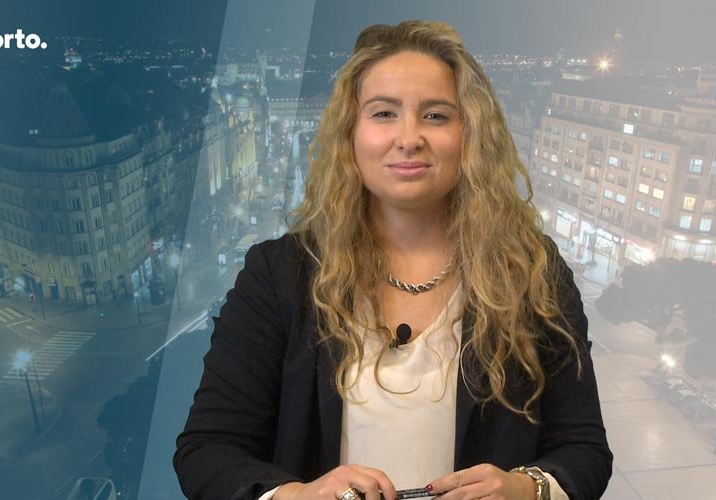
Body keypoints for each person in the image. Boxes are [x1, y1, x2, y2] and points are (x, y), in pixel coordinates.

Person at [174, 20, 612, 500]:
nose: (409, 137)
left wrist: (529, 489)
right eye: (384, 113)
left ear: (471, 136)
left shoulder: (532, 271)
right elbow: (207, 451)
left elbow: (584, 451)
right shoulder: (278, 274)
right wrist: (296, 496)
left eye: (436, 116)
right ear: (350, 133)